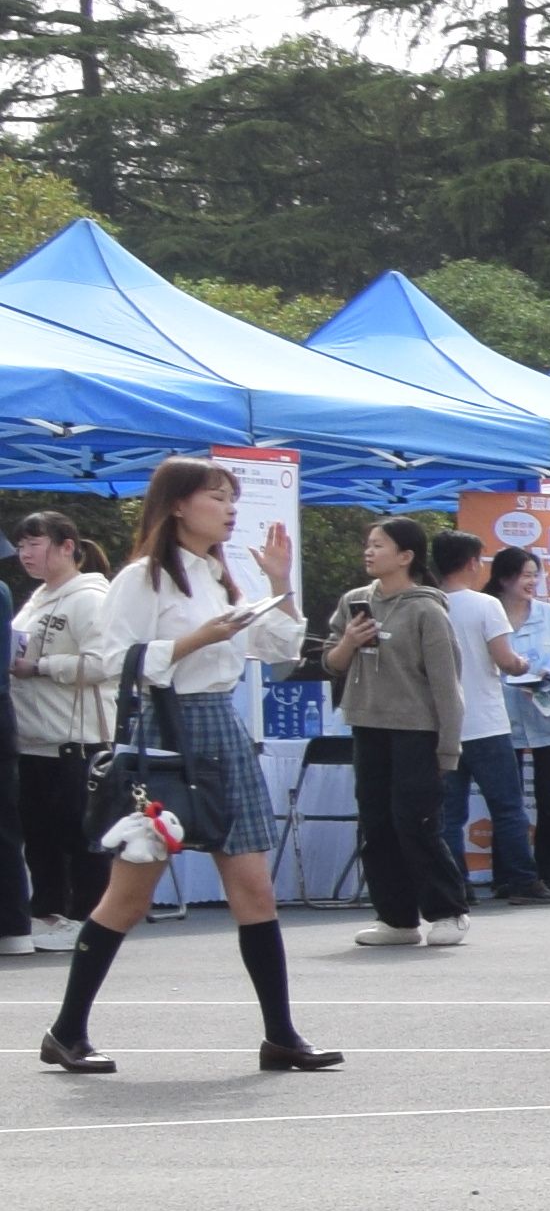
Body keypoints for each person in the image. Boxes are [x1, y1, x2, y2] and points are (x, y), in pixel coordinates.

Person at [40, 458, 340, 1075]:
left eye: (233, 499)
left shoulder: (220, 575)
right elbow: (115, 661)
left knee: (254, 889)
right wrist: (195, 640)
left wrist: (279, 583)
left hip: (221, 726)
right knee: (128, 896)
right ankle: (66, 1031)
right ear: (178, 504)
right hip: (164, 730)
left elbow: (276, 650)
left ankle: (281, 1035)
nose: (230, 509)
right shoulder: (141, 578)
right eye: (217, 497)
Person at [320, 517, 468, 953]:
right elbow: (331, 663)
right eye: (368, 544)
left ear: (406, 556)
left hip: (417, 732)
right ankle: (396, 918)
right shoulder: (354, 602)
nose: (369, 552)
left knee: (416, 822)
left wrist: (448, 749)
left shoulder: (427, 609)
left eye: (379, 545)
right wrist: (349, 641)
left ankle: (447, 911)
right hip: (367, 726)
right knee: (376, 824)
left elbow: (447, 685)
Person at [433, 530, 550, 910]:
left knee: (450, 813)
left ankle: (457, 884)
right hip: (486, 722)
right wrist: (524, 664)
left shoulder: (428, 603)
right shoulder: (486, 605)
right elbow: (505, 660)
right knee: (507, 807)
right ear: (472, 562)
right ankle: (521, 879)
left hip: (443, 724)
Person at [8, 509, 108, 954]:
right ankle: (49, 912)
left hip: (75, 740)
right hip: (34, 738)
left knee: (78, 835)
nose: (25, 554)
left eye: (35, 543)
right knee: (40, 836)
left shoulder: (90, 598)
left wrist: (41, 666)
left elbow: (105, 662)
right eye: (21, 545)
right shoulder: (38, 598)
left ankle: (87, 919)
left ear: (68, 546)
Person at [485, 541, 550, 902]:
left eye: (534, 575)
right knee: (506, 799)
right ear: (504, 578)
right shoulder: (488, 612)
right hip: (501, 717)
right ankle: (509, 875)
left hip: (549, 715)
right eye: (524, 576)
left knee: (549, 795)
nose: (531, 582)